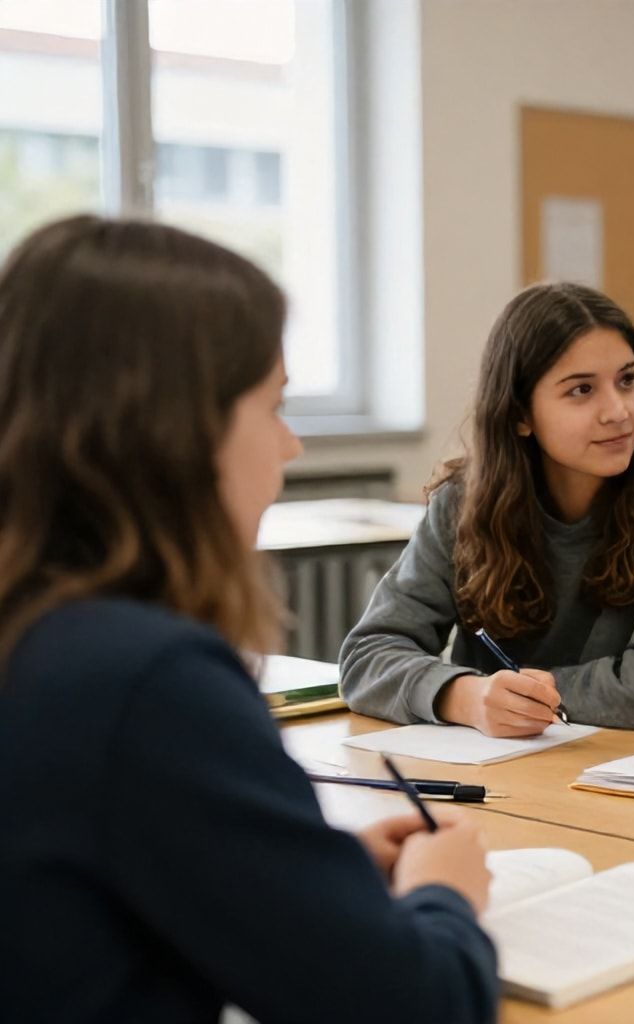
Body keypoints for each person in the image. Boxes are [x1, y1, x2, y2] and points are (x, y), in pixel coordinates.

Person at [0, 215, 498, 1022]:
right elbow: (418, 1004)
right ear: (176, 430)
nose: (291, 447)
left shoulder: (38, 632)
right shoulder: (147, 678)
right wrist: (445, 896)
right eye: (273, 406)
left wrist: (305, 876)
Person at [341, 282, 634, 735]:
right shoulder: (463, 499)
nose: (618, 411)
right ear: (519, 415)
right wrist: (465, 697)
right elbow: (365, 657)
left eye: (627, 380)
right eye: (581, 390)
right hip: (498, 775)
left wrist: (517, 695)